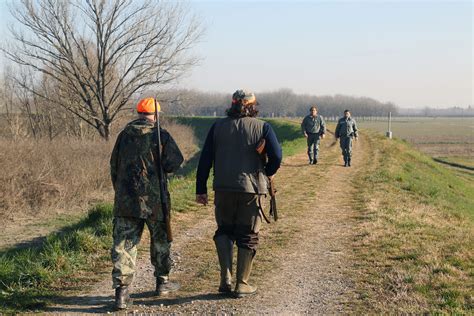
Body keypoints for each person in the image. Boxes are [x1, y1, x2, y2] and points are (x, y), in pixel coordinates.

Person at [195, 90, 282, 298]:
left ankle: (225, 280)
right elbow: (277, 156)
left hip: (222, 188)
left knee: (224, 230)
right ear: (253, 106)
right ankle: (242, 284)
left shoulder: (217, 127)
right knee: (248, 234)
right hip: (251, 190)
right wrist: (266, 172)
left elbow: (205, 159)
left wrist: (201, 189)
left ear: (232, 104)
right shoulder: (263, 127)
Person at [110, 98, 184, 310]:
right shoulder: (161, 135)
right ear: (156, 115)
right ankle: (162, 283)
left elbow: (113, 165)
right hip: (156, 201)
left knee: (124, 246)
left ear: (139, 113)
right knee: (160, 242)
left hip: (126, 202)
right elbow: (174, 163)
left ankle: (121, 294)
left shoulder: (124, 135)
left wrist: (121, 192)